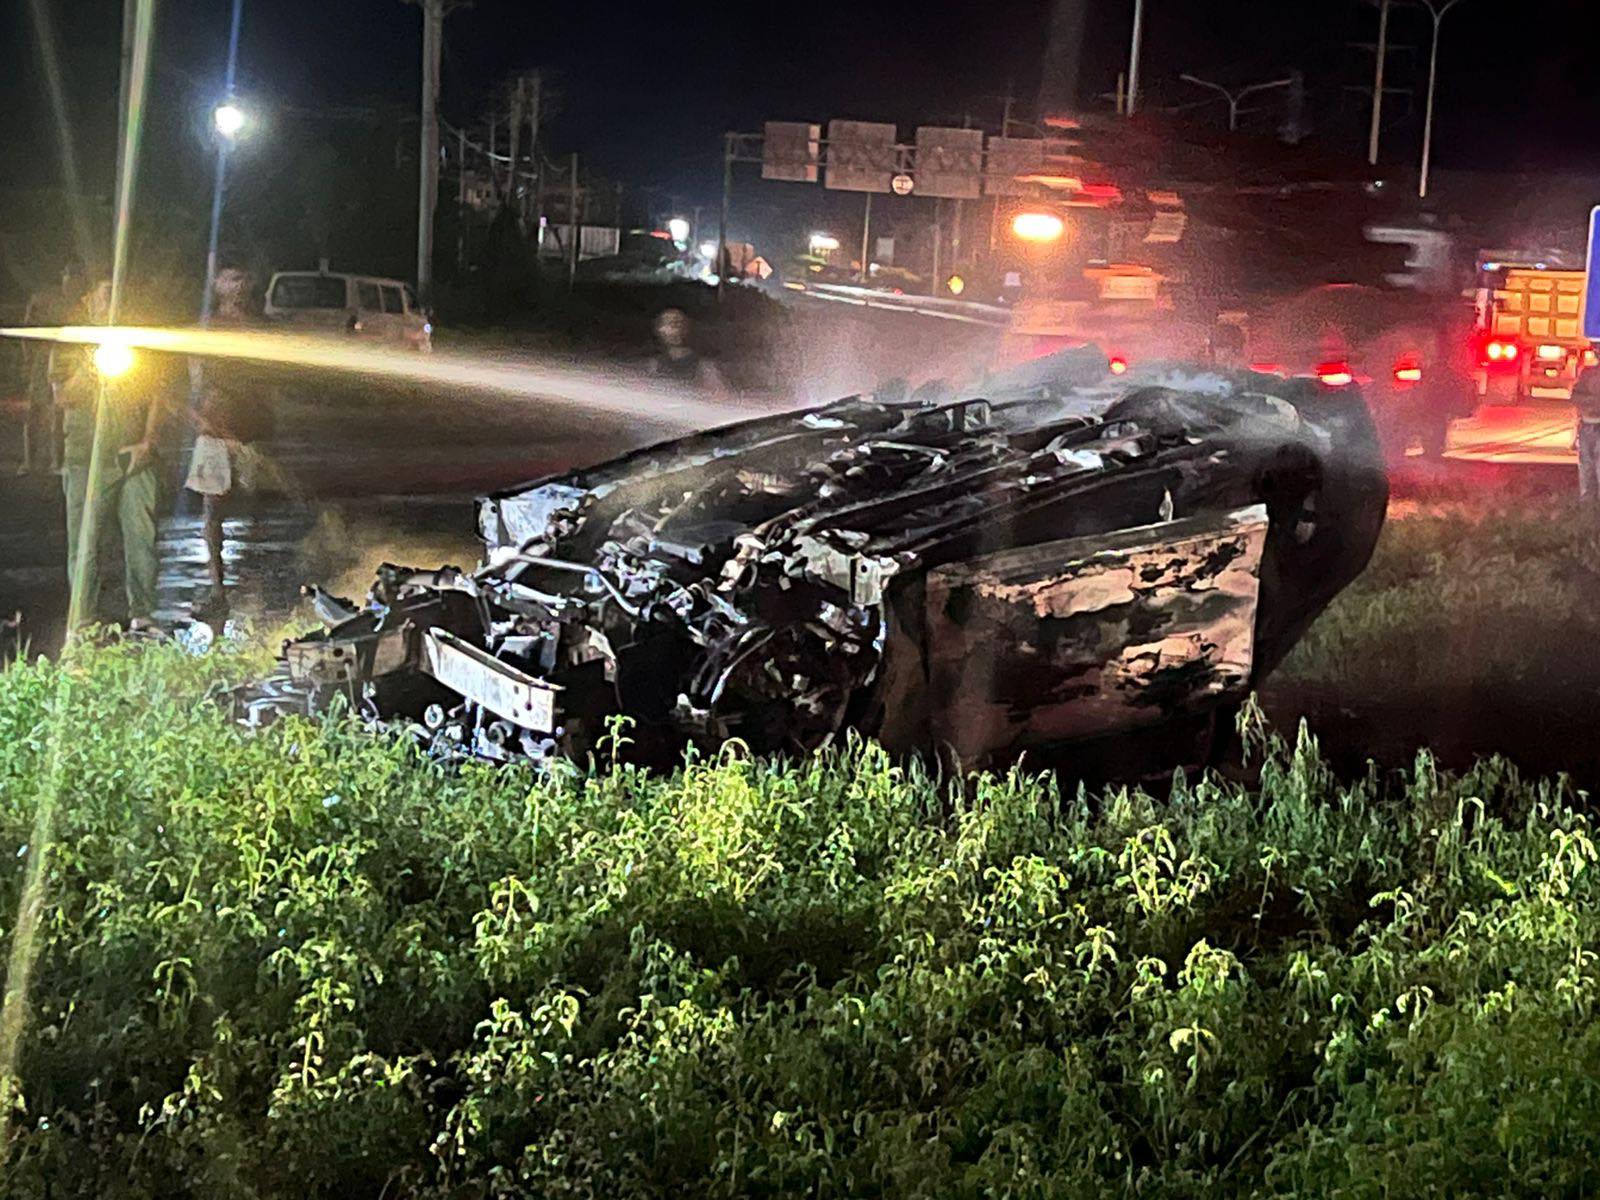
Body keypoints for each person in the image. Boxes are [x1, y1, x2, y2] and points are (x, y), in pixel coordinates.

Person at [51, 279, 166, 633]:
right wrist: (93, 365)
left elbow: (157, 393)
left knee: (142, 538)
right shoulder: (70, 342)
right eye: (105, 294)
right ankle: (83, 621)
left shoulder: (138, 340)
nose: (113, 300)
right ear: (88, 299)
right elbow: (62, 397)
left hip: (134, 457)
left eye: (119, 293)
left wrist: (148, 441)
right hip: (87, 459)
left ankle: (143, 615)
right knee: (86, 542)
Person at [183, 269, 276, 622]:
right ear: (216, 285)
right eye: (229, 278)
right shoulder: (208, 327)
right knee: (213, 511)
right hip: (216, 427)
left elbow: (269, 379)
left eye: (241, 278)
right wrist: (199, 416)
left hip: (252, 428)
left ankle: (254, 585)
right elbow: (195, 377)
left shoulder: (259, 329)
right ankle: (217, 590)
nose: (237, 285)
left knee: (257, 507)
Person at [17, 262, 80, 476]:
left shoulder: (80, 303)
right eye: (68, 276)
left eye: (76, 276)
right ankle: (29, 461)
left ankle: (57, 461)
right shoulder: (44, 299)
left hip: (66, 360)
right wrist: (28, 358)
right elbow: (28, 328)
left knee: (59, 412)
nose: (72, 281)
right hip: (43, 358)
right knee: (34, 410)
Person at [648, 308, 729, 398]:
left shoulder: (704, 367)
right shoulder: (654, 365)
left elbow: (719, 396)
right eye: (667, 323)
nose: (674, 328)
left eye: (677, 323)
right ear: (659, 330)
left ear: (686, 329)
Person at [1574, 360, 1600, 509]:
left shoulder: (1588, 374)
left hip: (1589, 425)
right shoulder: (1588, 374)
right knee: (1586, 464)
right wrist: (1588, 402)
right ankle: (1586, 502)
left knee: (1591, 464)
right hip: (1587, 424)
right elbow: (1576, 396)